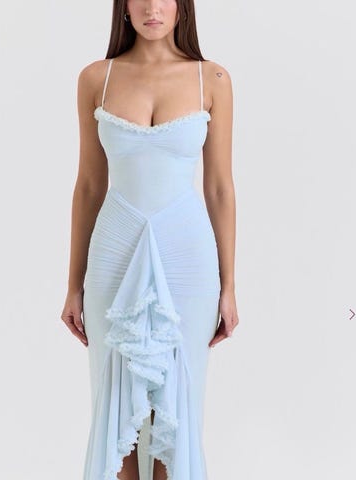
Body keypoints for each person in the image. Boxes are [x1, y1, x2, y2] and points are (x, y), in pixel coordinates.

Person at [61, 0, 239, 478]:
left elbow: (220, 189)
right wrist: (73, 285)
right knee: (117, 414)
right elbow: (89, 186)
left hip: (188, 259)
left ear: (183, 7)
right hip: (114, 255)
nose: (152, 7)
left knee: (174, 419)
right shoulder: (96, 79)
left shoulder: (212, 79)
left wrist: (229, 287)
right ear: (123, 7)